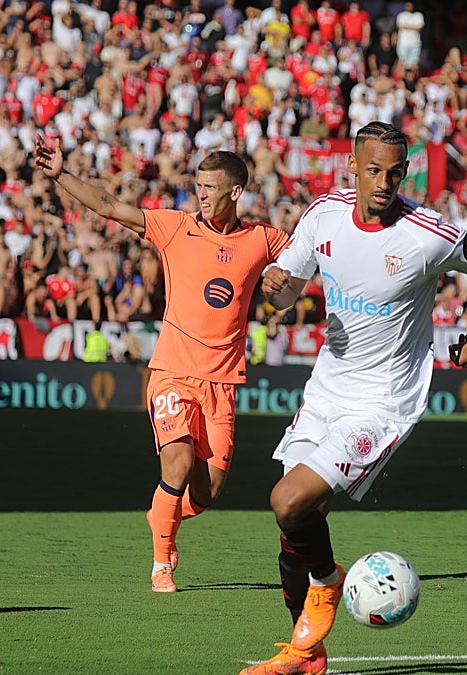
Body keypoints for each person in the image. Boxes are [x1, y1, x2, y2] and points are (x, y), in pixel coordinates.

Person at [240, 122, 467, 675]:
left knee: (287, 500)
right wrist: (276, 286)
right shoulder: (323, 216)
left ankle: (328, 582)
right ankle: (305, 652)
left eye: (395, 172)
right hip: (326, 389)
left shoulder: (427, 234)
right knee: (296, 528)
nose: (384, 182)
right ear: (353, 165)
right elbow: (287, 294)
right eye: (374, 170)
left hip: (382, 401)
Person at [34, 137, 290, 593]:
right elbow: (112, 206)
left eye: (210, 187)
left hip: (223, 382)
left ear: (235, 192)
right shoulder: (175, 227)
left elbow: (295, 277)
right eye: (198, 186)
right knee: (176, 465)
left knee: (206, 493)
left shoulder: (262, 239)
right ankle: (162, 563)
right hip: (172, 371)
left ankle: (162, 513)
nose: (202, 194)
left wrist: (280, 282)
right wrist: (61, 176)